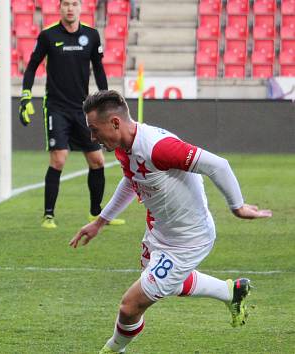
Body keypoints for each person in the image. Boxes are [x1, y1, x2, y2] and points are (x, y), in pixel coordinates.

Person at [70, 90, 272, 354]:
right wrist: (101, 221)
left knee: (130, 306)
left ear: (115, 123)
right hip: (159, 233)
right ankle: (231, 292)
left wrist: (238, 207)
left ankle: (112, 350)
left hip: (188, 241)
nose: (92, 138)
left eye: (95, 130)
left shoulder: (158, 147)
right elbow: (132, 180)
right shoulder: (124, 147)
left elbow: (218, 165)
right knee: (169, 283)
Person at [19, 0, 124, 229]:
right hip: (56, 108)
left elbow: (98, 68)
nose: (70, 8)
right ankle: (49, 215)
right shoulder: (48, 36)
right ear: (60, 8)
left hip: (83, 109)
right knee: (59, 158)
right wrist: (26, 95)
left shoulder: (92, 36)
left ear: (80, 8)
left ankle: (96, 213)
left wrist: (107, 99)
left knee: (97, 160)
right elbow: (32, 66)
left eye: (74, 4)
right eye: (66, 4)